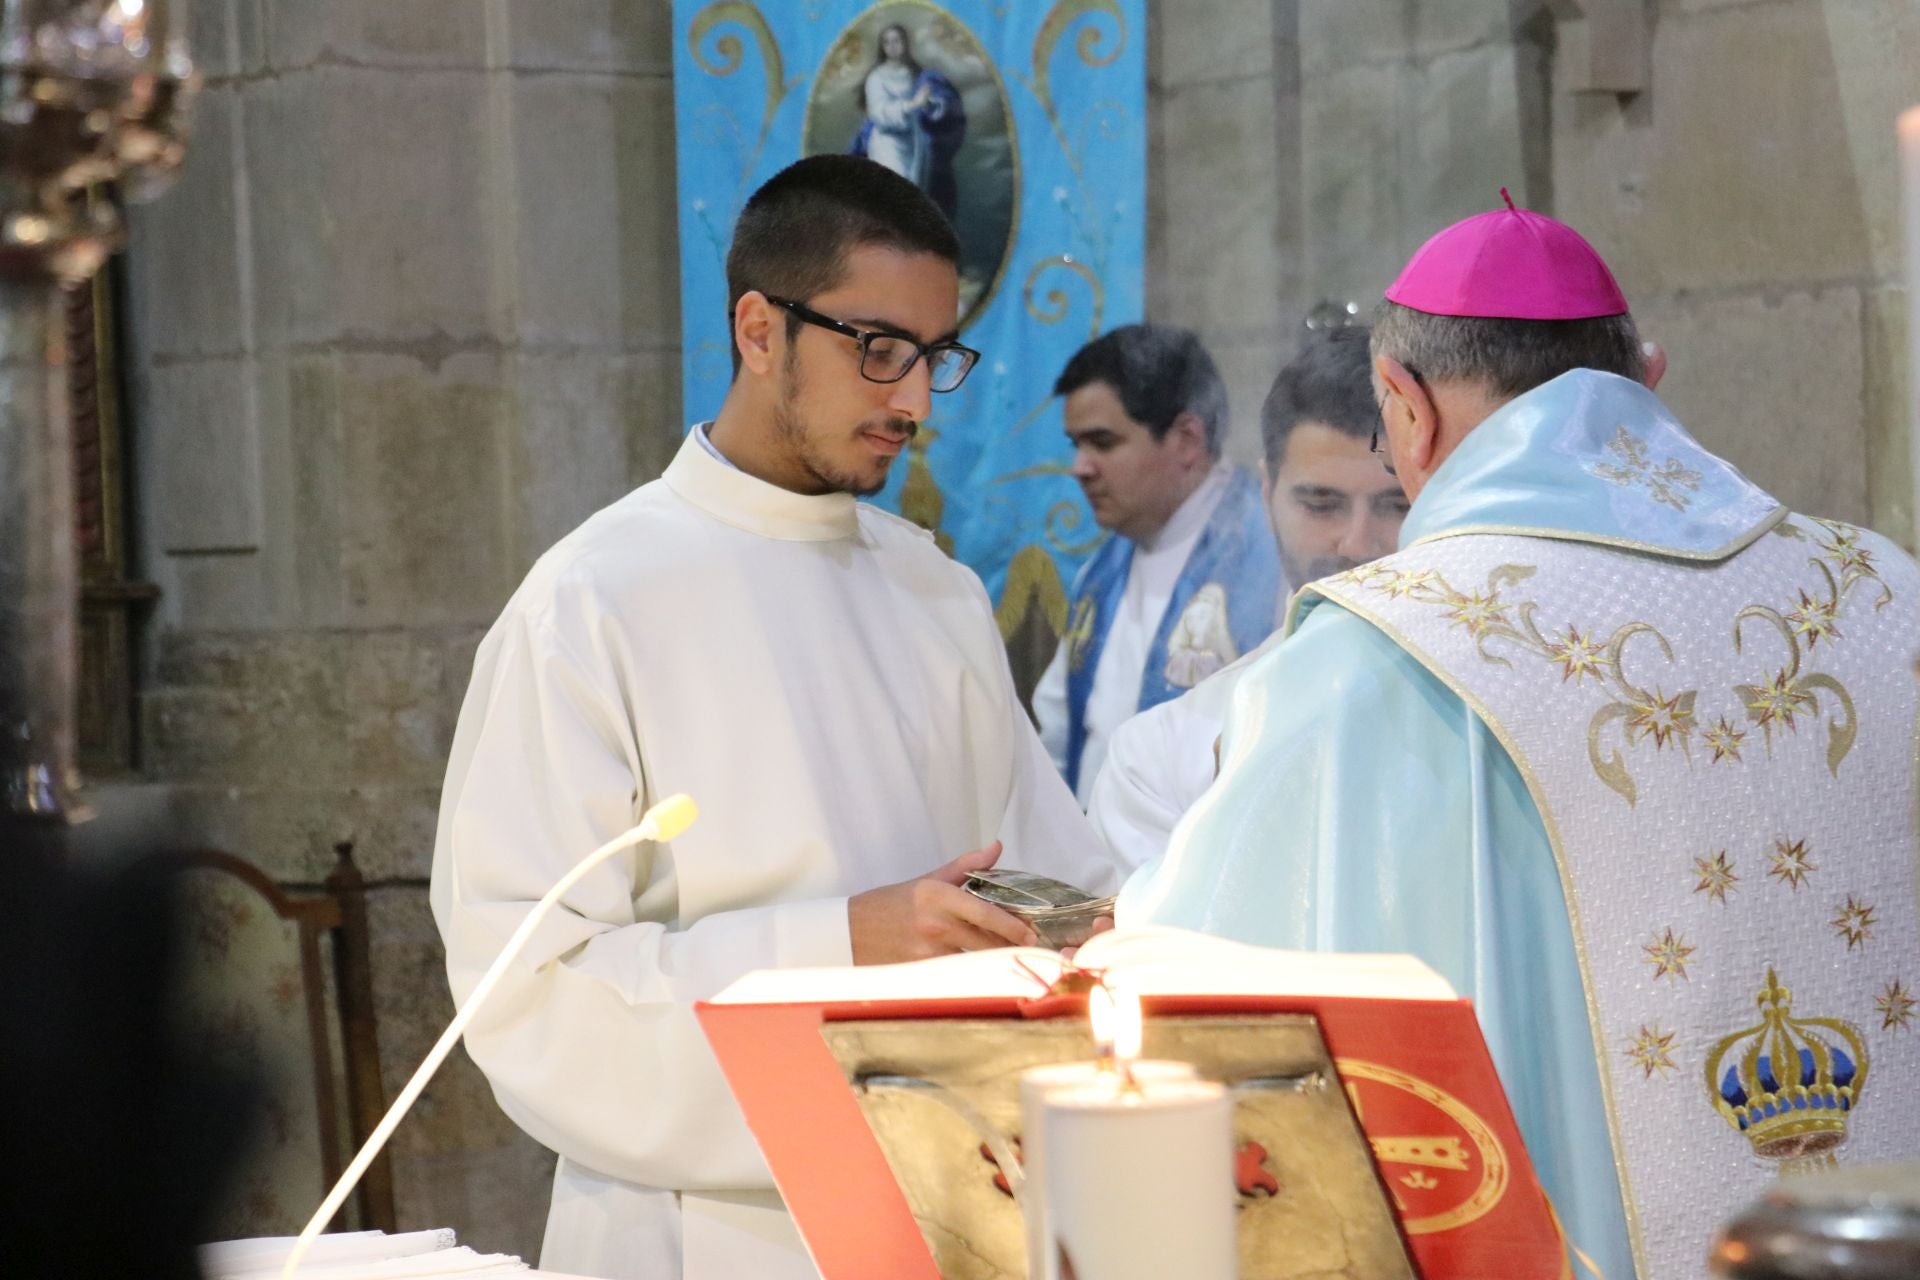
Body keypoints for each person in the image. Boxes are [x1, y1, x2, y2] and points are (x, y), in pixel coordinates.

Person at [1119, 198, 1920, 1279]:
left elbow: (1205, 978)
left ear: (1402, 403)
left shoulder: (1378, 652)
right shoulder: (1878, 590)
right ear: (1646, 376)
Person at [430, 154, 1121, 1280]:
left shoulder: (934, 592)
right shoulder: (592, 601)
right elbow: (530, 989)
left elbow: (1053, 873)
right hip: (709, 1232)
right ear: (759, 329)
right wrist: (845, 943)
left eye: (935, 357)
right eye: (879, 347)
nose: (911, 399)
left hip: (952, 1209)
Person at [1087, 325, 1404, 870]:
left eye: (1395, 505)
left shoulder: (1503, 725)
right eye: (1322, 504)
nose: (1357, 543)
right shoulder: (1161, 758)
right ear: (1266, 492)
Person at [1032, 324, 1283, 804]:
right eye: (1076, 445)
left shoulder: (1273, 555)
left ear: (1187, 438)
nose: (1080, 467)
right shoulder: (1102, 569)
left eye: (1102, 443)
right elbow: (1061, 730)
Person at [847, 24, 965, 221]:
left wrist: (928, 104)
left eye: (897, 41)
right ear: (882, 47)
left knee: (915, 197)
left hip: (914, 142)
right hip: (888, 144)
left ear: (905, 44)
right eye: (887, 42)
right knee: (893, 199)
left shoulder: (916, 75)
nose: (892, 46)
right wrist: (912, 105)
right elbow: (879, 113)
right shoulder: (876, 78)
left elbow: (930, 107)